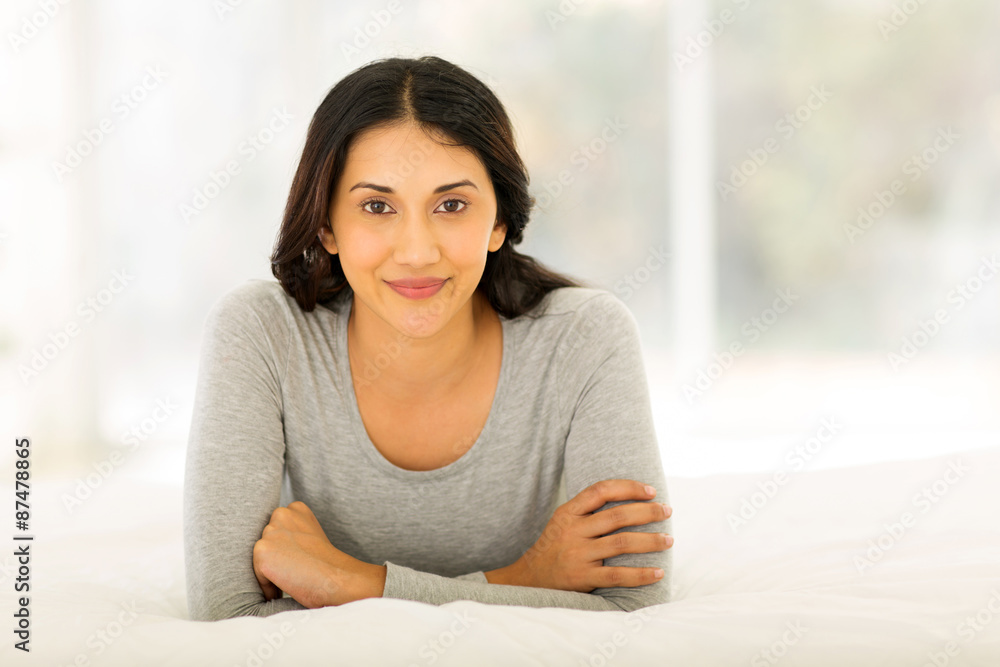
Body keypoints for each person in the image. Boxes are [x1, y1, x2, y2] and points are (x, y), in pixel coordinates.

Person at [183, 55, 674, 621]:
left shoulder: (586, 338)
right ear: (326, 226)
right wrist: (524, 582)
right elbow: (227, 615)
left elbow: (635, 606)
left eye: (451, 205)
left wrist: (355, 585)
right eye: (376, 206)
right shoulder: (261, 333)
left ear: (498, 223)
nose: (417, 251)